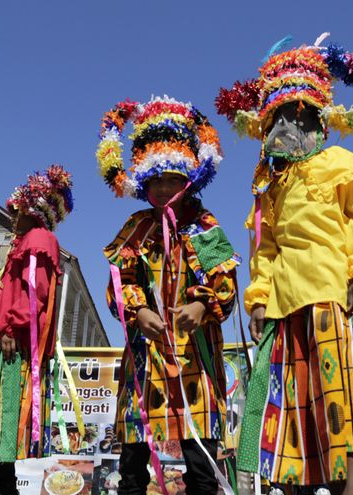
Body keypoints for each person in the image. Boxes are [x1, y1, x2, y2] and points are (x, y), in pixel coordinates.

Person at [214, 34, 353, 494]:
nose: (287, 127)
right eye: (278, 118)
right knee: (289, 407)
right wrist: (260, 297)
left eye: (297, 116)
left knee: (348, 398)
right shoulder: (269, 193)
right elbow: (264, 251)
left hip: (336, 303)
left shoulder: (339, 163)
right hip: (286, 313)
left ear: (317, 120)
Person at [98, 96, 239, 495]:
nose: (164, 188)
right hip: (146, 356)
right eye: (157, 180)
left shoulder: (205, 225)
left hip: (197, 354)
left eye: (173, 179)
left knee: (201, 463)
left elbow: (225, 283)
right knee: (133, 460)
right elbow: (117, 279)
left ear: (189, 180)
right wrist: (138, 311)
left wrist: (201, 304)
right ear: (145, 183)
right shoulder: (136, 226)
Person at [0, 165, 74, 495]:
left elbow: (33, 291)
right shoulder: (25, 242)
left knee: (5, 416)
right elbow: (5, 293)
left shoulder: (38, 239)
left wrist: (10, 328)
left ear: (34, 212)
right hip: (3, 340)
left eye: (17, 210)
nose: (12, 217)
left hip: (15, 343)